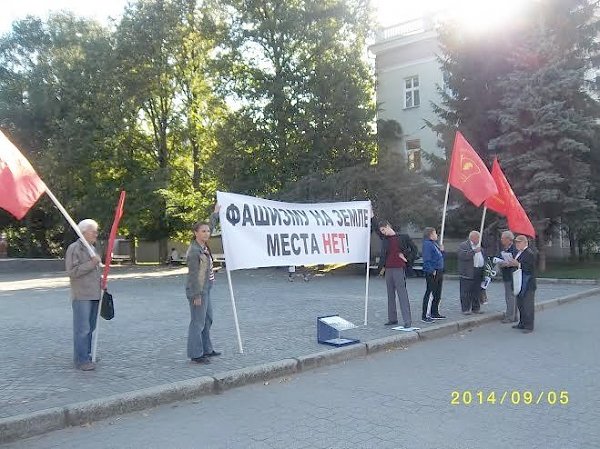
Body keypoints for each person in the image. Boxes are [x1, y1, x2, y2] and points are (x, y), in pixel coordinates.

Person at [185, 205, 221, 364]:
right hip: (198, 290)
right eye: (203, 231)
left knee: (207, 319)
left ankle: (207, 349)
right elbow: (193, 276)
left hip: (207, 288)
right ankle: (196, 353)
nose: (207, 233)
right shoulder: (194, 251)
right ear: (196, 233)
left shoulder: (203, 245)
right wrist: (196, 295)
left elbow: (211, 225)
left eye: (207, 231)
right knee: (197, 322)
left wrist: (215, 213)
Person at [65, 219, 102, 371]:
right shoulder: (74, 248)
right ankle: (81, 360)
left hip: (94, 293)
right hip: (82, 295)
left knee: (90, 327)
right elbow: (72, 272)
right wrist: (92, 263)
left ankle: (85, 354)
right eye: (94, 231)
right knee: (83, 328)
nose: (96, 234)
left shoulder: (91, 248)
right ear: (84, 232)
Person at [372, 217, 418, 328]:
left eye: (383, 230)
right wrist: (372, 217)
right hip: (388, 269)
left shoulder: (403, 237)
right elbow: (376, 230)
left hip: (399, 268)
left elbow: (414, 249)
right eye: (381, 231)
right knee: (390, 294)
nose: (383, 232)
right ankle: (392, 319)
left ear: (388, 227)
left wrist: (406, 257)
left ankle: (407, 320)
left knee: (402, 294)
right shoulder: (385, 239)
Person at [507, 235, 537, 333]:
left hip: (528, 284)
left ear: (525, 243)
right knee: (520, 304)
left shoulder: (529, 253)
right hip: (519, 282)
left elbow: (529, 268)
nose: (517, 244)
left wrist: (518, 264)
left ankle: (529, 325)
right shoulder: (518, 253)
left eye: (519, 242)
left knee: (528, 305)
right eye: (516, 242)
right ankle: (522, 323)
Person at [457, 230, 485, 315]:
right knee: (466, 291)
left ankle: (476, 308)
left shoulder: (480, 246)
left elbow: (484, 257)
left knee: (476, 291)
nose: (479, 240)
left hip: (478, 271)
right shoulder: (464, 245)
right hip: (467, 272)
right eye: (478, 238)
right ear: (472, 238)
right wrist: (474, 251)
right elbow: (462, 255)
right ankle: (465, 309)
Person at [421, 227, 445, 322]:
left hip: (439, 270)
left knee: (437, 293)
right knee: (430, 292)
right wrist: (432, 270)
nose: (436, 235)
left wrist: (442, 251)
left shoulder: (434, 244)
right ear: (430, 234)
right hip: (433, 271)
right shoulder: (427, 244)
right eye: (435, 233)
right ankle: (425, 315)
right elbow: (427, 259)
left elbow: (439, 257)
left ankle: (434, 312)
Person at [498, 230, 518, 323]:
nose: (501, 240)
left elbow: (516, 262)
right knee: (509, 296)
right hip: (506, 275)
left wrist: (508, 264)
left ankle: (510, 316)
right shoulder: (503, 249)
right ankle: (513, 315)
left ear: (509, 239)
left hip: (512, 275)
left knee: (510, 296)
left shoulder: (515, 249)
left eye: (503, 238)